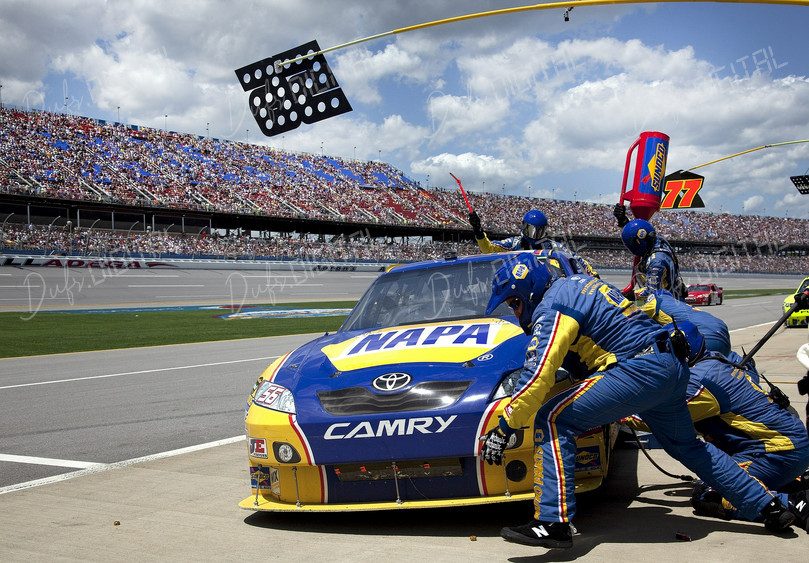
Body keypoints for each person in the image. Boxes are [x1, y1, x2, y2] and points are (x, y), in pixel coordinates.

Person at [480, 252, 803, 549]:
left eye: (514, 303)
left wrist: (506, 425)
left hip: (638, 368)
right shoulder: (581, 284)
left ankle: (552, 521)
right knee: (688, 447)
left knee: (552, 418)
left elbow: (539, 373)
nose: (515, 311)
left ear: (529, 291)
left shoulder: (553, 305)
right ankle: (768, 506)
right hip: (670, 367)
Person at [624, 329, 809, 525]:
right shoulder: (718, 360)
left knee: (706, 495)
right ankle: (792, 482)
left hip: (778, 452)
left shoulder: (699, 382)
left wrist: (613, 412)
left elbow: (662, 420)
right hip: (788, 445)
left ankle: (792, 503)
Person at [469, 209, 598, 277]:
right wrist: (478, 231)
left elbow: (576, 259)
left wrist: (593, 275)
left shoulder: (553, 246)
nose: (534, 235)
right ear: (524, 227)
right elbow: (489, 249)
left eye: (539, 232)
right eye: (531, 230)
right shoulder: (514, 243)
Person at [639, 288, 731, 355]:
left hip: (704, 336)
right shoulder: (678, 305)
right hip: (722, 330)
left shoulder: (656, 299)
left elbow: (632, 317)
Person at [619, 218, 687, 300]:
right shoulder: (655, 240)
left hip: (669, 305)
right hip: (671, 297)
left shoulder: (656, 261)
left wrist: (630, 295)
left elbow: (652, 292)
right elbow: (638, 233)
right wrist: (623, 222)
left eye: (634, 243)